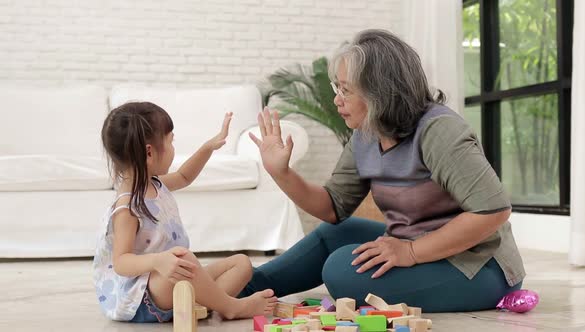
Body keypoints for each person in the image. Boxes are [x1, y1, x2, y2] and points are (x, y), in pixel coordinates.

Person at [242, 29, 525, 312]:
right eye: (336, 88)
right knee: (337, 233)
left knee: (341, 271)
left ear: (380, 91)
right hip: (416, 246)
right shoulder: (366, 133)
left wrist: (411, 252)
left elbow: (492, 211)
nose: (337, 100)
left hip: (477, 264)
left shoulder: (439, 130)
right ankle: (244, 286)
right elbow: (333, 207)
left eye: (345, 90)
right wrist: (282, 173)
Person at [93, 102, 277, 322]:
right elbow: (122, 262)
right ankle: (231, 307)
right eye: (171, 142)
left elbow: (184, 177)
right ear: (149, 153)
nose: (173, 149)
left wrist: (208, 147)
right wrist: (157, 261)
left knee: (241, 263)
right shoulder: (127, 208)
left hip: (173, 278)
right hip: (140, 297)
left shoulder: (154, 184)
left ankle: (199, 304)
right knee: (183, 257)